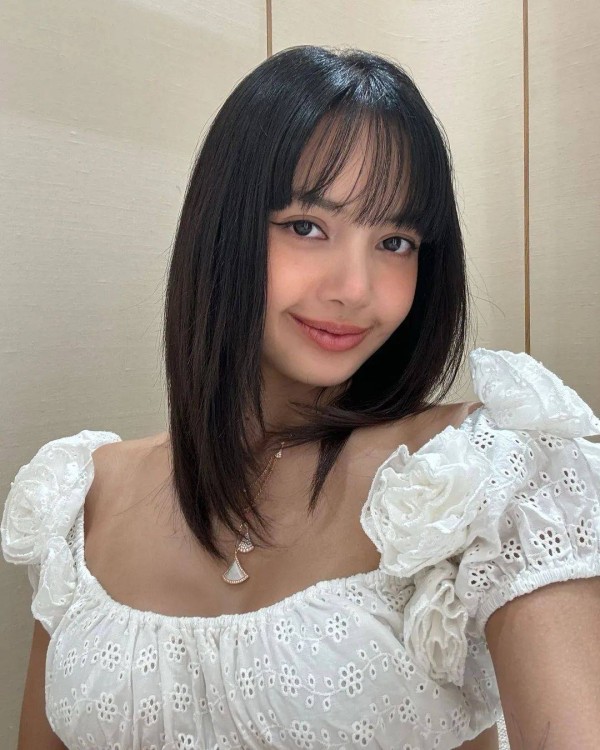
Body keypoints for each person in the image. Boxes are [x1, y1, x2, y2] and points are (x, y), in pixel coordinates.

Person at [2, 44, 599, 750]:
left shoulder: (486, 477)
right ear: (220, 230)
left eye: (396, 241)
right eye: (307, 227)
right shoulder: (82, 499)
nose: (355, 289)